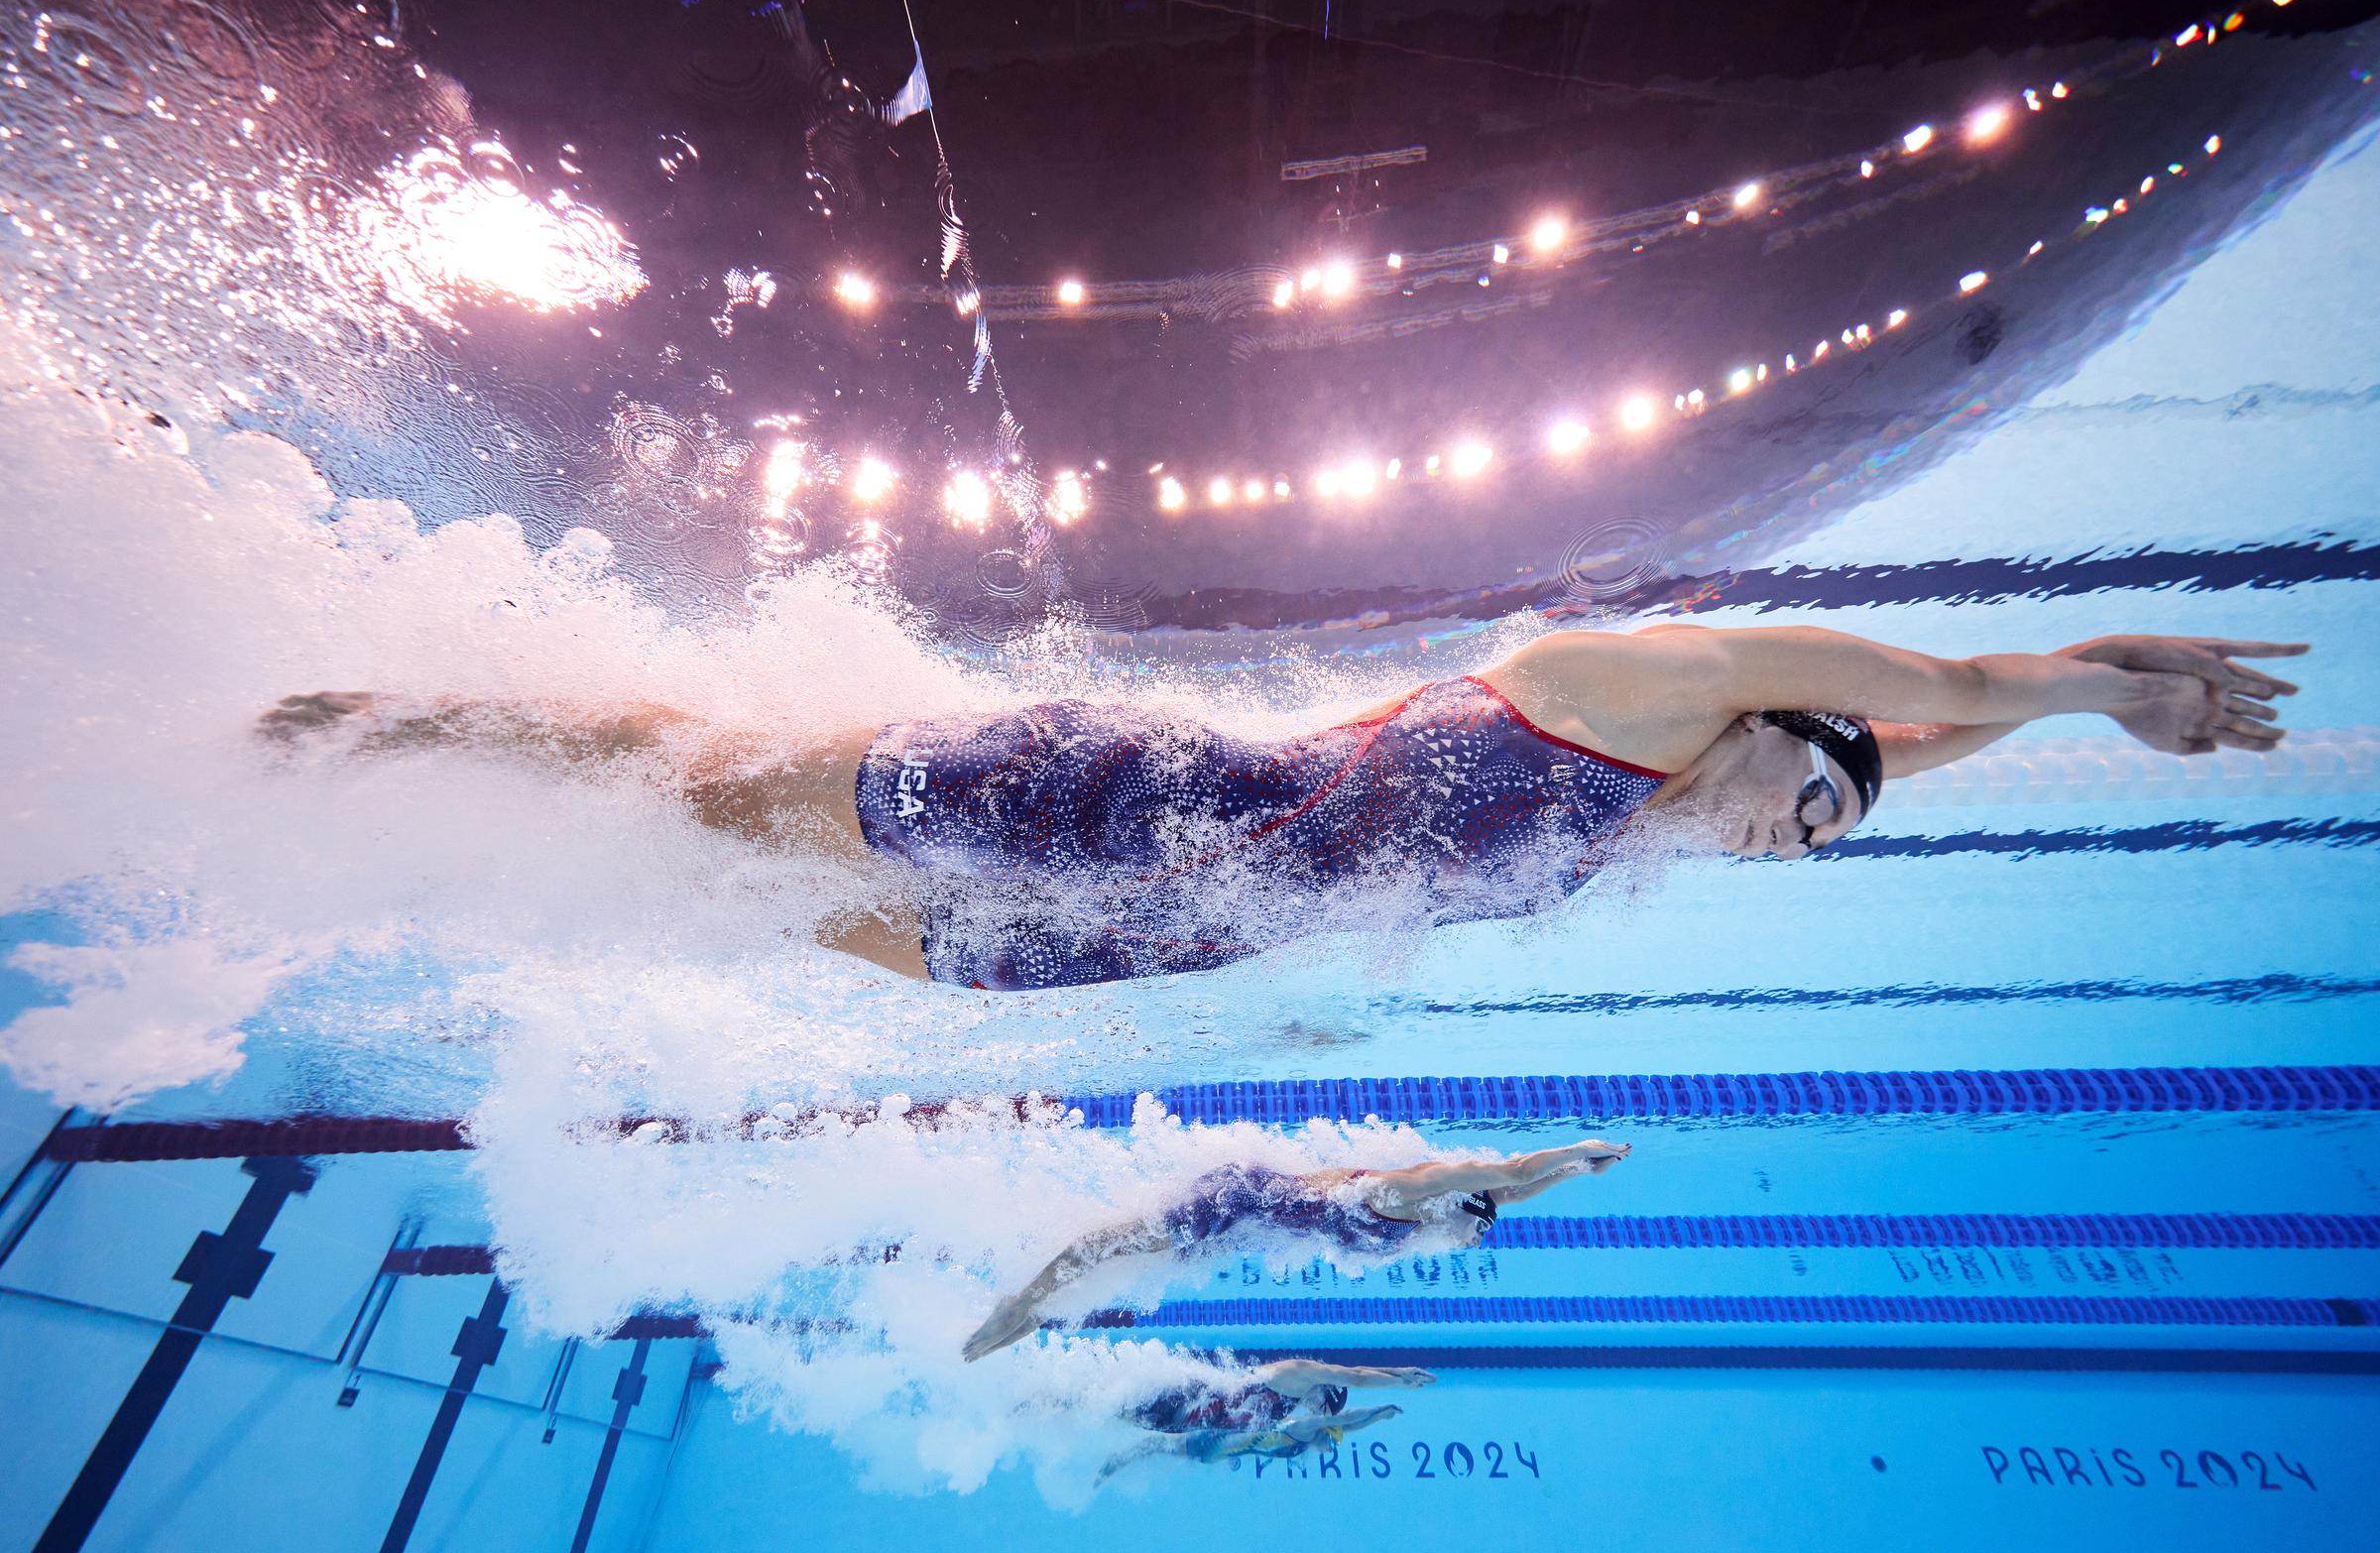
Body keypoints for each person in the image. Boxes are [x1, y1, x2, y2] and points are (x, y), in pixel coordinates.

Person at [260, 626, 2306, 990]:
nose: (1796, 847)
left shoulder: (1657, 817)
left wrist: (2048, 721)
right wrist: (2079, 690)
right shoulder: (1605, 697)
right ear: (1781, 728)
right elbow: (1921, 701)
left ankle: (436, 842)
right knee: (702, 808)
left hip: (1108, 940)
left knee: (703, 902)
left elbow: (1902, 748)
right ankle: (416, 721)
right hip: (1097, 803)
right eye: (1813, 810)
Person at [959, 1137, 1629, 1361]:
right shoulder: (1405, 1194)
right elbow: (1508, 1176)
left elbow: (1509, 1195)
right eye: (1476, 1232)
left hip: (1244, 1226)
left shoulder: (1427, 1223)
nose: (1472, 1245)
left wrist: (1574, 1175)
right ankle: (1023, 1301)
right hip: (1239, 1200)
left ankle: (1037, 1301)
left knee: (1136, 1261)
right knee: (1119, 1245)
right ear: (1460, 1210)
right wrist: (1577, 1152)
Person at [1096, 1358, 1432, 1482]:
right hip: (1179, 1398)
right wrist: (1399, 1377)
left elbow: (1345, 1418)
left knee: (1094, 1410)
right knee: (1091, 1402)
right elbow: (1356, 1376)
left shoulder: (1292, 1406)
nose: (1315, 1414)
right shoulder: (1296, 1375)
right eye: (1321, 1409)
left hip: (1180, 1420)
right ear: (1325, 1391)